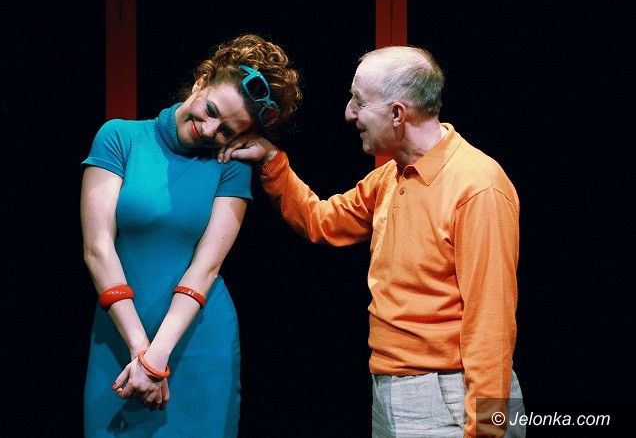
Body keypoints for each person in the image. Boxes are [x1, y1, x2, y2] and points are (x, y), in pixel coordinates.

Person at [219, 46, 525, 437]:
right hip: (393, 390)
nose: (349, 113)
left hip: (451, 394)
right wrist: (271, 159)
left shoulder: (477, 187)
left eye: (359, 102)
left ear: (398, 114)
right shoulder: (391, 177)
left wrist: (488, 427)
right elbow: (321, 221)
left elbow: (491, 323)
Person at [80, 34, 302, 437]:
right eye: (210, 110)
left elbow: (206, 266)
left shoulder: (230, 165)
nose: (210, 129)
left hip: (197, 342)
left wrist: (156, 357)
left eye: (227, 130)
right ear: (201, 81)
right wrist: (141, 351)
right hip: (118, 336)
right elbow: (98, 249)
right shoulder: (120, 138)